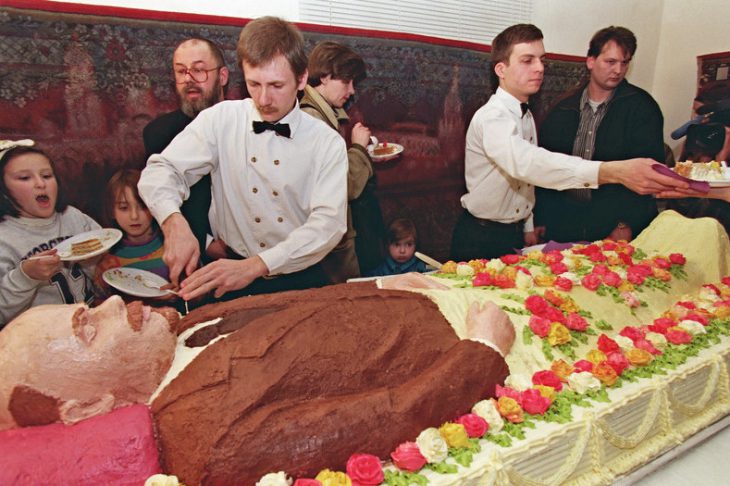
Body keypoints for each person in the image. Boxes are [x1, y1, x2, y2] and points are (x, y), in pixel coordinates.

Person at [138, 17, 348, 301]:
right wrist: (173, 221)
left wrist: (257, 265)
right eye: (254, 84)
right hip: (228, 275)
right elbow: (162, 168)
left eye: (276, 85)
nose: (264, 99)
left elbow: (329, 224)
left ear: (301, 79)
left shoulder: (327, 142)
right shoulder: (220, 119)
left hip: (301, 277)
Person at [449, 23, 687, 262]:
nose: (540, 68)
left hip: (512, 234)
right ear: (501, 69)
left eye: (542, 60)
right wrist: (609, 171)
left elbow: (525, 180)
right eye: (527, 60)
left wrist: (528, 224)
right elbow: (526, 163)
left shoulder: (526, 115)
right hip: (480, 237)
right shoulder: (493, 117)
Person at [534, 26, 665, 243]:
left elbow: (649, 170)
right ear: (591, 61)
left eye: (625, 63)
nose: (618, 70)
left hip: (615, 224)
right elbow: (547, 168)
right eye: (610, 62)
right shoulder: (563, 108)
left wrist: (625, 223)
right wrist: (541, 219)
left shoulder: (643, 107)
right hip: (566, 222)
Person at [300, 40, 386, 281]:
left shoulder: (319, 116)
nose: (352, 91)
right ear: (325, 77)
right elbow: (340, 187)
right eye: (346, 81)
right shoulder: (312, 120)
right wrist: (358, 148)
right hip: (326, 247)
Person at [142, 37, 230, 258]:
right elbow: (164, 195)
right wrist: (208, 244)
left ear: (222, 76)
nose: (189, 79)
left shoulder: (246, 123)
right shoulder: (159, 133)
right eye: (181, 72)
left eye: (199, 70)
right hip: (197, 253)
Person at [0, 140, 100, 328]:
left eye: (47, 175)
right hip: (39, 338)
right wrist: (25, 276)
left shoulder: (73, 216)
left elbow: (103, 268)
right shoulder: (4, 239)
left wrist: (102, 261)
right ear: (4, 190)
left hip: (90, 321)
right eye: (24, 178)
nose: (40, 184)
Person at [94, 169, 170, 300]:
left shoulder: (173, 245)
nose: (134, 216)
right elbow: (101, 304)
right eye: (124, 208)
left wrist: (180, 292)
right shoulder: (107, 262)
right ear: (112, 211)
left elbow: (200, 291)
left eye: (142, 206)